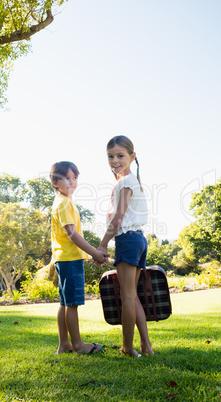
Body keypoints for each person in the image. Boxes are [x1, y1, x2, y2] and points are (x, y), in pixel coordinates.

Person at [98, 135, 154, 358]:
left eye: (120, 156)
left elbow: (119, 217)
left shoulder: (125, 182)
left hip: (128, 240)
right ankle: (146, 346)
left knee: (128, 296)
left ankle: (127, 348)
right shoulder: (131, 181)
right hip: (139, 240)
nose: (115, 160)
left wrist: (102, 245)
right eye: (110, 156)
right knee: (133, 295)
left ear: (132, 156)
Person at [50, 161, 107, 355]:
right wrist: (95, 253)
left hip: (63, 258)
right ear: (55, 181)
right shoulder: (64, 203)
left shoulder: (62, 201)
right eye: (67, 178)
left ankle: (63, 344)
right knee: (72, 303)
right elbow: (72, 234)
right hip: (70, 258)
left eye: (75, 178)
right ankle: (79, 346)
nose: (72, 182)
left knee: (65, 303)